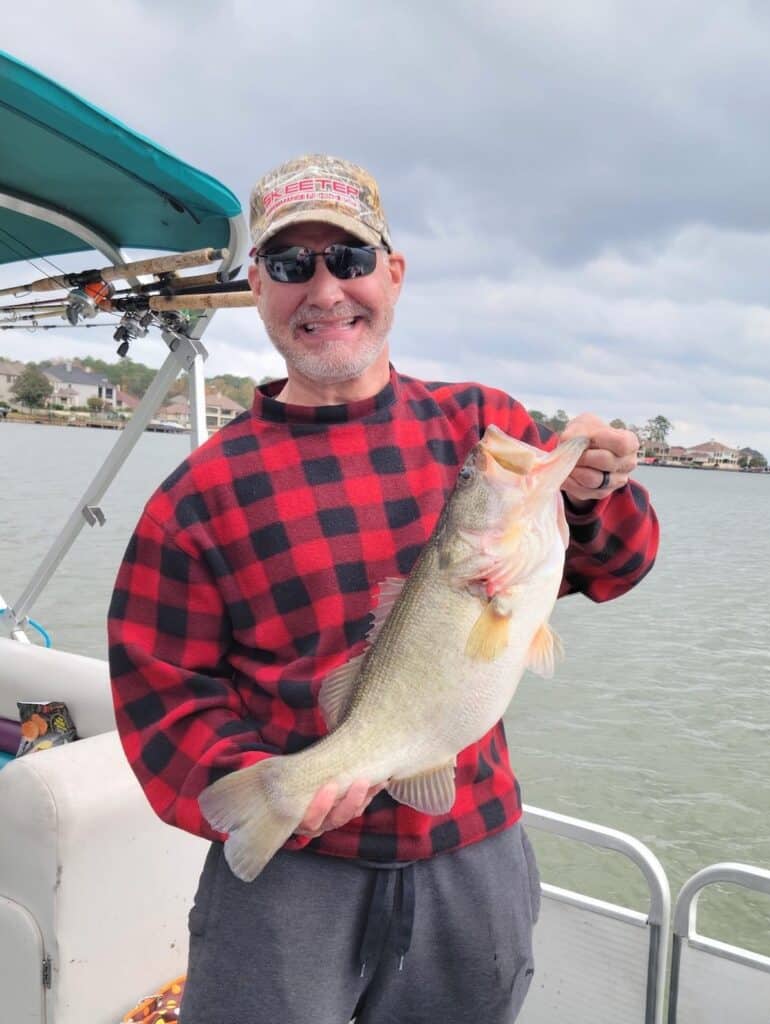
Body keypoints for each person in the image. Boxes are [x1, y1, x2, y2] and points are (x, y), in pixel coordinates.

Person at [108, 154, 659, 1024]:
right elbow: (161, 697)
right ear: (258, 286)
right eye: (292, 265)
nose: (325, 290)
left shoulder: (485, 429)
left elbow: (617, 565)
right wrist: (266, 782)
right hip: (292, 871)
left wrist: (593, 494)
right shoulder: (195, 498)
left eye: (350, 260)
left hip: (471, 850)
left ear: (393, 275)